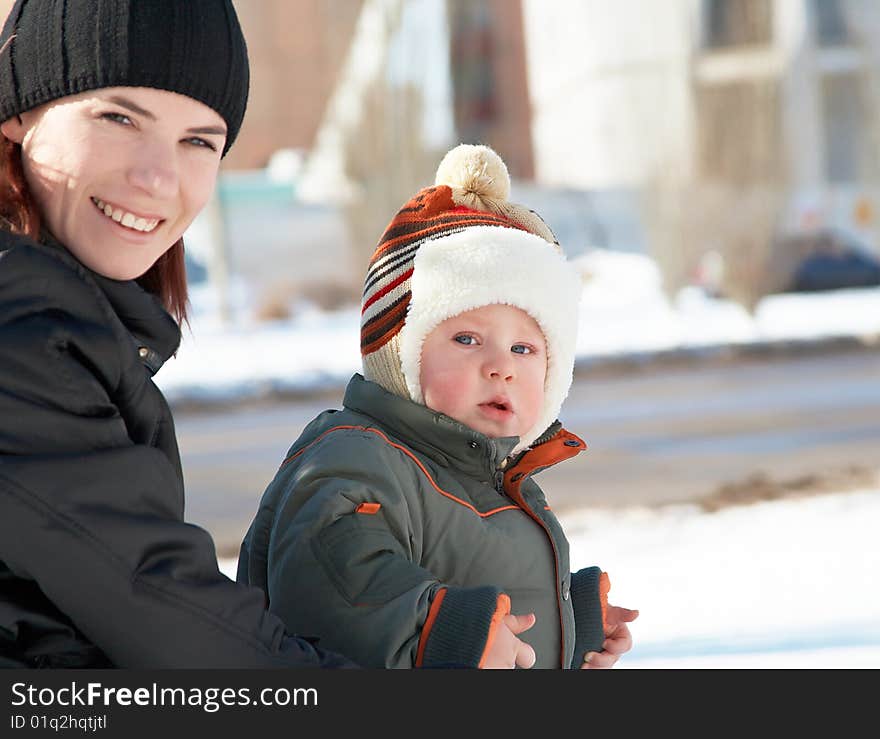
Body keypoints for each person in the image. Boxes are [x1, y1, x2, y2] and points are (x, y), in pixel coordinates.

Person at [0, 0, 357, 669]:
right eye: (118, 116)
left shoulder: (67, 316)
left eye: (199, 140)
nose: (158, 176)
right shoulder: (19, 328)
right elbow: (164, 610)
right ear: (19, 111)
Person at [238, 143, 639, 669]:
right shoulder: (355, 459)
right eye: (468, 339)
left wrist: (572, 620)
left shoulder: (490, 477)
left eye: (524, 348)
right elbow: (333, 591)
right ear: (399, 352)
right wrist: (448, 632)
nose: (502, 367)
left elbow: (496, 609)